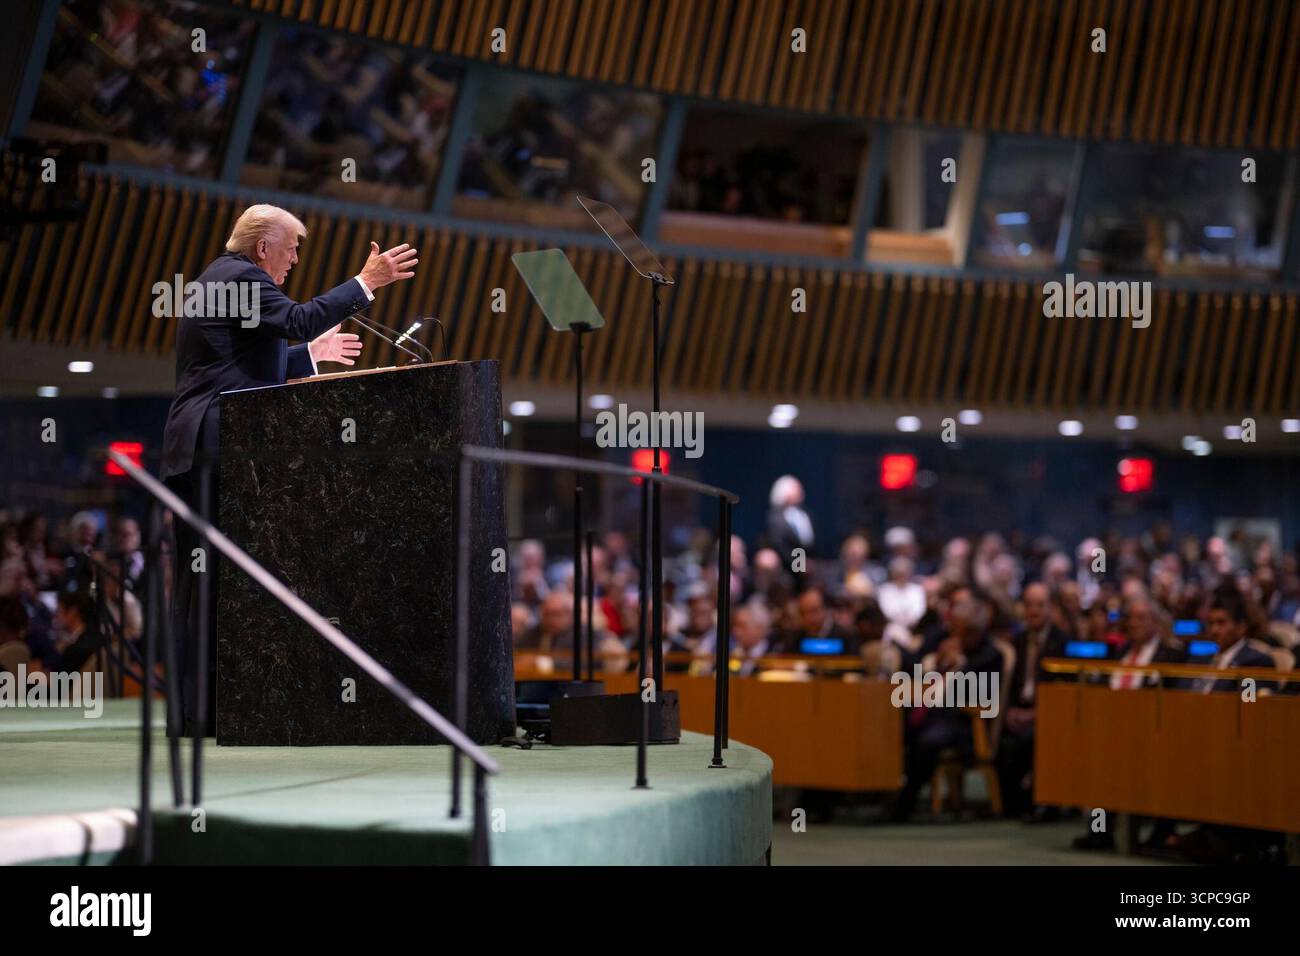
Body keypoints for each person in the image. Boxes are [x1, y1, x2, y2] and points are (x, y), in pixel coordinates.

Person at [160, 203, 419, 736]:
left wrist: (308, 355)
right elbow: (295, 318)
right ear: (263, 248)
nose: (296, 258)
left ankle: (200, 711)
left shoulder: (223, 280)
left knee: (207, 580)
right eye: (292, 247)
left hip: (204, 443)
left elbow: (236, 363)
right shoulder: (240, 278)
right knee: (209, 581)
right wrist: (365, 283)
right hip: (213, 444)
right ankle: (199, 712)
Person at [998, 582, 1069, 818]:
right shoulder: (1015, 643)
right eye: (1029, 605)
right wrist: (1008, 711)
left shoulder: (1063, 643)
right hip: (1018, 709)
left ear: (1050, 608)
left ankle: (1042, 803)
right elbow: (1004, 685)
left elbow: (1065, 692)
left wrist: (1036, 713)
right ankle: (1012, 805)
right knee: (1004, 740)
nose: (1034, 611)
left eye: (1040, 605)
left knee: (1032, 739)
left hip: (1050, 713)